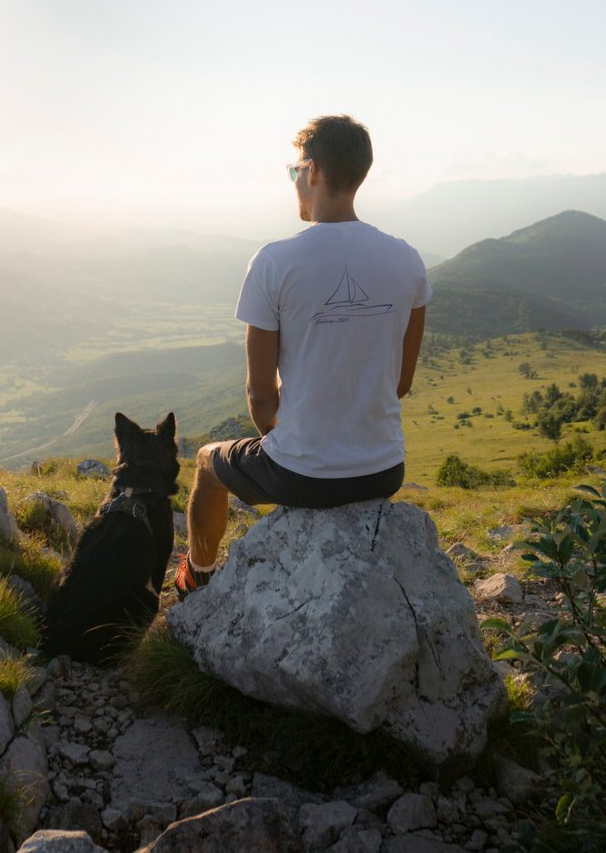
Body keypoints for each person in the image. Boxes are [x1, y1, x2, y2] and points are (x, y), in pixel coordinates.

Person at [174, 114, 431, 597]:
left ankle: (198, 577)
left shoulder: (274, 261)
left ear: (312, 171)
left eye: (294, 171)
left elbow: (259, 396)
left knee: (208, 465)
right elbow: (399, 382)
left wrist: (300, 442)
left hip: (300, 474)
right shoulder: (407, 259)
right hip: (384, 470)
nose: (294, 181)